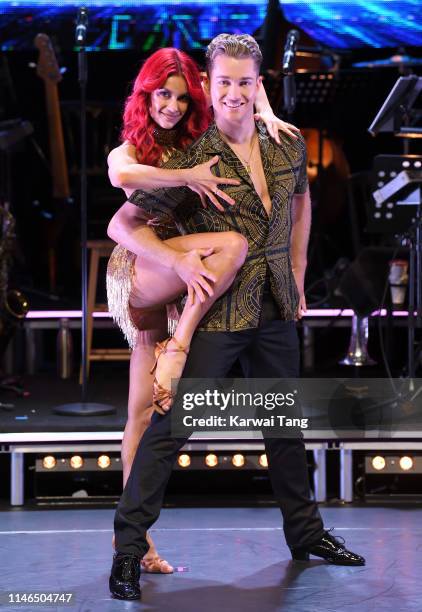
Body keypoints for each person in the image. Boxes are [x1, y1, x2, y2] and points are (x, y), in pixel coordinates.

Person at [109, 34, 366, 601]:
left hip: (274, 303)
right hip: (220, 311)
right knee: (170, 427)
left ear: (258, 85)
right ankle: (127, 551)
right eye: (222, 82)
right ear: (209, 83)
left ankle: (307, 536)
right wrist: (176, 258)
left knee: (284, 429)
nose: (232, 93)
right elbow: (125, 225)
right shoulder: (191, 158)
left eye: (243, 82)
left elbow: (299, 202)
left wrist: (297, 269)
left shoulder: (288, 143)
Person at [106, 46, 299, 574]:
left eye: (179, 96)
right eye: (159, 95)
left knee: (145, 414)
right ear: (143, 95)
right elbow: (120, 186)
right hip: (146, 265)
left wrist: (269, 113)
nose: (169, 105)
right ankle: (181, 343)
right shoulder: (135, 146)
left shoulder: (201, 135)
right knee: (233, 246)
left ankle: (138, 547)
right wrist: (185, 177)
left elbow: (245, 88)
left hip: (190, 270)